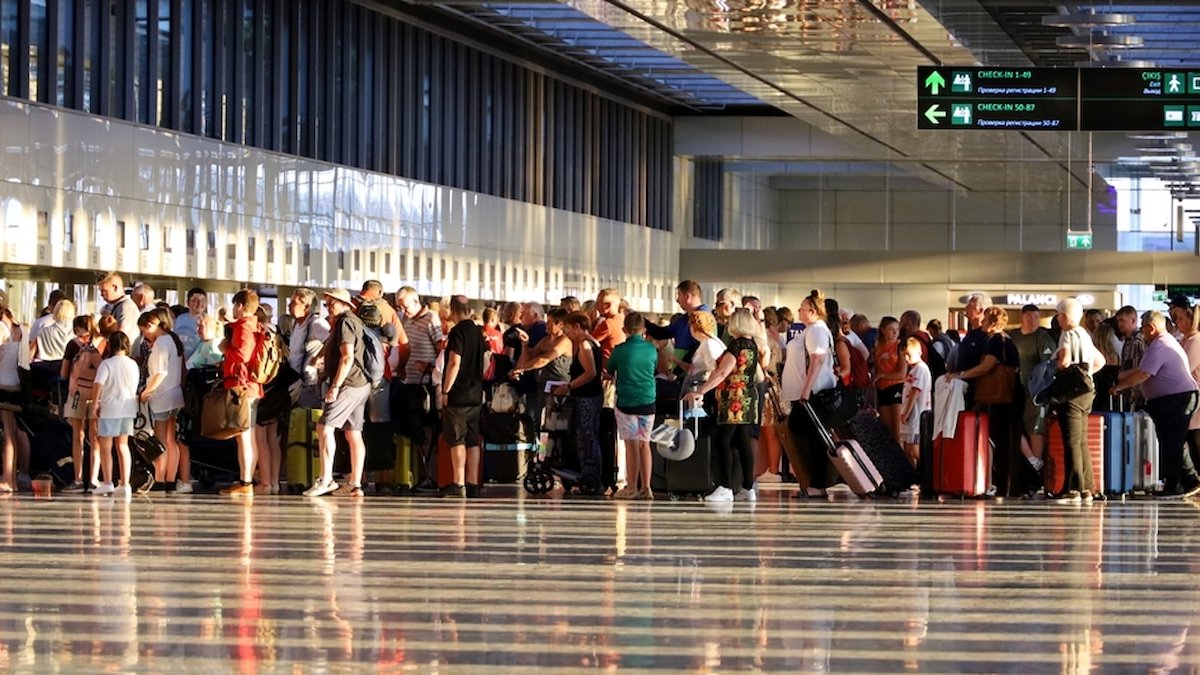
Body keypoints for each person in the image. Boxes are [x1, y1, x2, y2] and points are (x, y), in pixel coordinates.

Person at [1111, 311, 1200, 499]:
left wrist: (1119, 386)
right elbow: (1144, 370)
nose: (1142, 333)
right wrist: (1125, 376)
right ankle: (1189, 479)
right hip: (1173, 399)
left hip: (1176, 399)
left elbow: (1144, 374)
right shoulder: (1163, 343)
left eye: (1143, 329)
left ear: (1151, 328)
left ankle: (1175, 484)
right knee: (1173, 441)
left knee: (1172, 442)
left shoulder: (1160, 345)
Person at [685, 309, 763, 503]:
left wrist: (701, 391)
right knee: (743, 441)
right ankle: (747, 486)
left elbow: (722, 373)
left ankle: (725, 486)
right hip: (748, 397)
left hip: (733, 399)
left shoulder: (736, 346)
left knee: (723, 440)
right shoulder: (752, 345)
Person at [948, 307, 1026, 496]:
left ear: (992, 322)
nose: (981, 323)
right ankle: (1011, 485)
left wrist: (961, 375)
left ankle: (1003, 486)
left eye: (984, 320)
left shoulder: (996, 340)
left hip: (1003, 396)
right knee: (1008, 439)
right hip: (1013, 394)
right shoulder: (1006, 339)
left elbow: (987, 365)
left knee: (1002, 440)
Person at [304, 288, 372, 498]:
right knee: (353, 433)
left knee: (324, 427)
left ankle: (326, 479)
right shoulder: (348, 321)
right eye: (326, 303)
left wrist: (334, 386)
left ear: (344, 304)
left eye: (332, 302)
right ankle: (355, 484)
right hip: (360, 383)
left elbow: (347, 357)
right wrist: (322, 354)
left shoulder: (345, 322)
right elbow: (334, 344)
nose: (328, 306)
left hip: (348, 384)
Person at [780, 292, 839, 498]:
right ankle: (815, 481)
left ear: (812, 311)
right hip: (808, 392)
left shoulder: (816, 331)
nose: (799, 311)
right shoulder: (812, 330)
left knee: (812, 435)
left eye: (802, 308)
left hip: (813, 393)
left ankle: (818, 482)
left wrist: (806, 388)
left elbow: (818, 359)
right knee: (809, 434)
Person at [1051, 297, 1106, 503]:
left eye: (1058, 315)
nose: (1057, 319)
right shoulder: (1084, 333)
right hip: (1086, 391)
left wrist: (1053, 366)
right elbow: (1101, 360)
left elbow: (1064, 361)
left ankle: (1072, 489)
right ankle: (1087, 488)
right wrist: (1086, 374)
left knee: (1071, 441)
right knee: (1082, 440)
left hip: (1071, 393)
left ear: (1064, 316)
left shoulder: (1067, 333)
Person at [396, 286, 445, 490]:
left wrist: (430, 366)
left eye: (405, 306)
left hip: (425, 384)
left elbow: (441, 350)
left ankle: (431, 474)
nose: (403, 311)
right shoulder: (406, 320)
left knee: (427, 430)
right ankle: (419, 473)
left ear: (416, 302)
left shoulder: (431, 319)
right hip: (409, 382)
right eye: (400, 307)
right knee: (413, 431)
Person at [606, 312, 658, 500]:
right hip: (647, 401)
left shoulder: (620, 350)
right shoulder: (651, 349)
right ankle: (647, 487)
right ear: (643, 330)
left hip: (626, 402)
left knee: (631, 445)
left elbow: (610, 370)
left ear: (624, 330)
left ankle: (632, 487)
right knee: (645, 443)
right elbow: (655, 367)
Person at [220, 289, 267, 497]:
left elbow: (242, 355)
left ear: (239, 306)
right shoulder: (256, 325)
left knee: (243, 437)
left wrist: (225, 349)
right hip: (253, 386)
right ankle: (247, 479)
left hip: (242, 387)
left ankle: (245, 481)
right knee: (250, 435)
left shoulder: (244, 327)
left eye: (234, 306)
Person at [552, 312, 606, 492]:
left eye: (567, 328)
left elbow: (590, 373)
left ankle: (590, 475)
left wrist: (569, 386)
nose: (566, 333)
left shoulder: (584, 344)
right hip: (593, 395)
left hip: (586, 397)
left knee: (586, 435)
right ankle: (590, 474)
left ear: (577, 327)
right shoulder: (594, 342)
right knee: (589, 434)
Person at [137, 307, 188, 492]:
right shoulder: (173, 340)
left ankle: (159, 478)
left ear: (150, 325)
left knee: (160, 440)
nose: (144, 336)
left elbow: (160, 372)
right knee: (171, 439)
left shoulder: (160, 343)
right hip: (175, 395)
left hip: (162, 396)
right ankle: (170, 478)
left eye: (144, 331)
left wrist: (146, 392)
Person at [441, 295, 486, 498]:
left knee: (457, 439)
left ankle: (458, 484)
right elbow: (486, 362)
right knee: (472, 439)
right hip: (475, 392)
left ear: (453, 309)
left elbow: (454, 363)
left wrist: (446, 390)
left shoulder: (457, 332)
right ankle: (473, 482)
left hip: (458, 393)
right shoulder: (478, 332)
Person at [1008, 304, 1057, 474]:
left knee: (1036, 428)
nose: (1033, 321)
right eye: (1029, 317)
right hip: (1014, 389)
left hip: (1036, 392)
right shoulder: (1013, 336)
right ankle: (1030, 462)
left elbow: (1049, 364)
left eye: (1036, 317)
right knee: (1014, 425)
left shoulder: (1043, 337)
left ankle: (1036, 466)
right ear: (1022, 317)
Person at [90, 332, 139, 498]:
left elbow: (98, 384)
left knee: (105, 446)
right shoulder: (133, 364)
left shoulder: (107, 364)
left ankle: (108, 481)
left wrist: (95, 403)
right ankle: (125, 484)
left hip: (110, 408)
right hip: (128, 408)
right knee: (123, 446)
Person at [60, 316, 105, 493]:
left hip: (76, 394)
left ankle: (78, 479)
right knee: (95, 437)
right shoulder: (103, 344)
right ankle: (94, 478)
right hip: (97, 395)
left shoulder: (72, 345)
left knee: (77, 436)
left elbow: (64, 372)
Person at [0, 291, 23, 494]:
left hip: (2, 383)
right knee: (13, 431)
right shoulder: (18, 326)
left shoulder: (0, 327)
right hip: (16, 382)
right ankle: (12, 478)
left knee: (7, 432)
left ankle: (7, 478)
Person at [1174, 305, 1200, 476]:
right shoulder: (1186, 340)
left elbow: (1185, 368)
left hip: (1195, 393)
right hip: (1188, 393)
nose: (1177, 323)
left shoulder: (1195, 341)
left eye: (1181, 319)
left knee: (1195, 437)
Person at [899, 337, 931, 469]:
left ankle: (925, 470)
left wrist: (906, 412)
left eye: (909, 355)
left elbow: (915, 392)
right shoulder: (913, 370)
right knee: (907, 448)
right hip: (910, 413)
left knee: (913, 448)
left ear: (919, 352)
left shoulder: (921, 369)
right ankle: (914, 474)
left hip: (916, 414)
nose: (906, 358)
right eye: (904, 355)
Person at [873, 316, 906, 443]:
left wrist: (882, 375)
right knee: (886, 430)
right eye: (891, 329)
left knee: (897, 430)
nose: (894, 333)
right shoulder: (878, 347)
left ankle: (901, 458)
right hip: (882, 388)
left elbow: (902, 374)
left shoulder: (900, 346)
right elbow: (876, 368)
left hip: (896, 386)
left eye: (897, 330)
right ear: (883, 330)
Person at [1115, 305, 1145, 409]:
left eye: (1122, 320)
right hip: (1128, 393)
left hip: (1138, 393)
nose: (1119, 324)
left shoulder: (1140, 340)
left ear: (1133, 320)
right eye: (1118, 321)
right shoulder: (1127, 342)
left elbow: (1145, 368)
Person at [97, 272, 139, 342]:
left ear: (115, 288)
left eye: (104, 291)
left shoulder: (126, 307)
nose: (101, 294)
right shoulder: (111, 307)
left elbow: (120, 336)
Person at [174, 287, 208, 361]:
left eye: (202, 300)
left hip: (198, 365)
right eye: (195, 300)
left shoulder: (209, 321)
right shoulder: (179, 319)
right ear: (188, 302)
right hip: (179, 361)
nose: (199, 304)